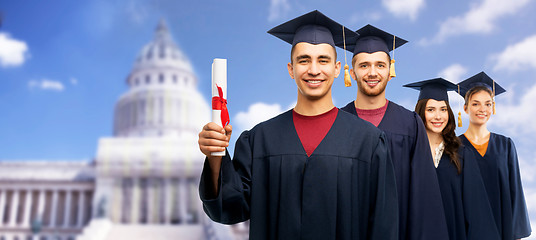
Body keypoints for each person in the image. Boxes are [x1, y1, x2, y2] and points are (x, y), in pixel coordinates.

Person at [197, 11, 398, 240]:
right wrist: (216, 154)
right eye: (304, 60)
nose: (313, 70)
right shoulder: (260, 139)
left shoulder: (369, 142)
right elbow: (229, 208)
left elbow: (383, 226)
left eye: (323, 60)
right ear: (291, 69)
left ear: (336, 68)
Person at [339, 24, 449, 240]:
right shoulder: (337, 123)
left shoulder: (410, 124)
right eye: (364, 65)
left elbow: (424, 196)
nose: (372, 72)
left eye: (380, 65)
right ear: (352, 72)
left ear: (390, 71)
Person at [404, 78, 500, 240]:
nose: (438, 116)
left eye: (443, 109)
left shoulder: (462, 154)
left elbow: (477, 209)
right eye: (431, 110)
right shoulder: (408, 153)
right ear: (421, 112)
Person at [457, 71, 531, 240]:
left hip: (502, 230)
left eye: (488, 104)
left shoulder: (505, 145)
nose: (483, 109)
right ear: (465, 108)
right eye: (476, 104)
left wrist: (516, 234)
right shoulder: (453, 147)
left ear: (493, 107)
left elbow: (516, 192)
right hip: (466, 232)